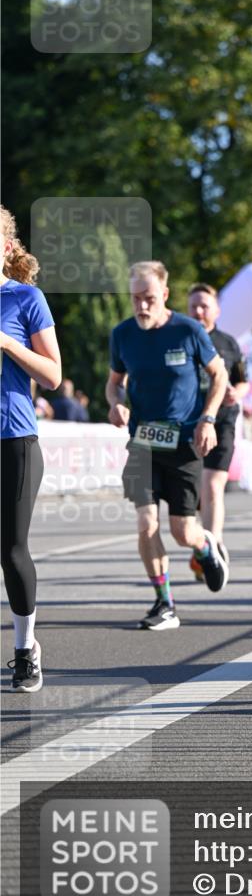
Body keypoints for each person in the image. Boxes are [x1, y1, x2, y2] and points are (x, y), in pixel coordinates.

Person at [106, 261, 229, 631]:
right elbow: (114, 382)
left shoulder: (188, 330)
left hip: (184, 441)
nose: (141, 307)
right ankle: (164, 602)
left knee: (181, 531)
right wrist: (115, 402)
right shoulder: (123, 334)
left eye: (148, 299)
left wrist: (208, 419)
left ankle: (205, 546)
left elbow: (219, 376)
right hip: (142, 441)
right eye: (135, 299)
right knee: (146, 524)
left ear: (164, 295)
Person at [1, 205, 62, 691]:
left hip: (14, 438)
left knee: (11, 549)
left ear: (5, 247)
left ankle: (25, 648)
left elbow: (54, 375)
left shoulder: (26, 299)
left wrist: (6, 344)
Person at [187, 282, 248, 575]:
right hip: (188, 423)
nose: (199, 311)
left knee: (213, 485)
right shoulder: (181, 339)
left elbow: (242, 379)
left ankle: (213, 546)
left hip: (222, 421)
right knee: (195, 491)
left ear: (216, 310)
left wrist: (238, 392)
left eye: (204, 306)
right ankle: (204, 541)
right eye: (194, 306)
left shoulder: (228, 343)